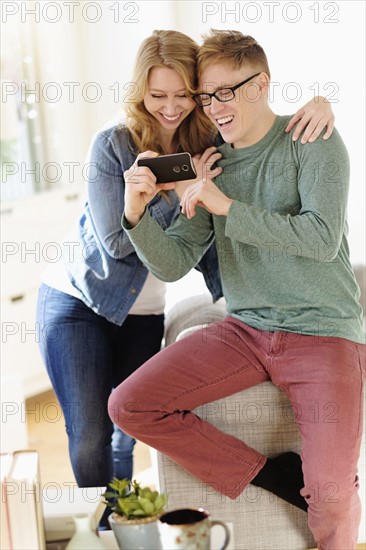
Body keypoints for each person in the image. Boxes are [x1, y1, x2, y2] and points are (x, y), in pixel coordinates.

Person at [36, 29, 335, 491]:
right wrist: (175, 195)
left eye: (183, 94)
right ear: (141, 92)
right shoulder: (113, 146)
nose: (171, 106)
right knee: (90, 435)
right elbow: (117, 244)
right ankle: (99, 528)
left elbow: (215, 233)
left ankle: (121, 523)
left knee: (123, 437)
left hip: (144, 311)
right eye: (157, 95)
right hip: (80, 301)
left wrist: (319, 103)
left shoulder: (210, 142)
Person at [109, 30, 365, 550]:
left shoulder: (312, 140)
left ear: (261, 85)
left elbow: (319, 238)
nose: (214, 106)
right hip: (245, 331)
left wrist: (227, 206)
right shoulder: (213, 164)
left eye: (226, 92)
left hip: (324, 332)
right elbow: (176, 261)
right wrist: (136, 216)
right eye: (206, 95)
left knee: (332, 493)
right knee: (128, 406)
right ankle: (267, 473)